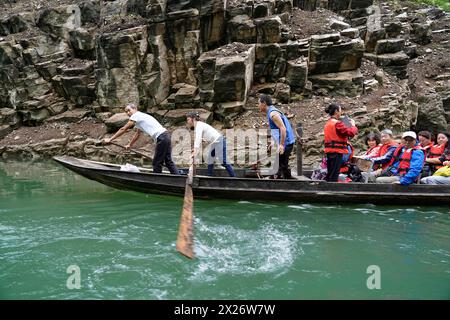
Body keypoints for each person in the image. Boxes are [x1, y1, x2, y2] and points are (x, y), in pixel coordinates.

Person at [103, 103, 179, 175]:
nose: (128, 113)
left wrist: (110, 139)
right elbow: (137, 134)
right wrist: (130, 144)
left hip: (162, 137)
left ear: (135, 108)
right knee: (168, 161)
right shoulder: (140, 117)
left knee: (157, 162)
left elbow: (123, 129)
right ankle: (178, 178)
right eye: (126, 112)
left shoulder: (136, 115)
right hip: (166, 136)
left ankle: (157, 181)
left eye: (129, 110)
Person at [186, 111, 235, 177]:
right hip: (216, 142)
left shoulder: (198, 125)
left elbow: (197, 140)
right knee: (210, 160)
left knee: (224, 161)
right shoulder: (199, 125)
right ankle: (209, 176)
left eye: (188, 119)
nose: (187, 121)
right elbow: (202, 136)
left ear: (193, 119)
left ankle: (234, 177)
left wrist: (194, 151)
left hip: (219, 141)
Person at [258, 94, 296, 179]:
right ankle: (280, 180)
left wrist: (282, 145)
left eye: (259, 103)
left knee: (282, 165)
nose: (258, 106)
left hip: (286, 142)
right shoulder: (271, 112)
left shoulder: (273, 114)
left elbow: (283, 129)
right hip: (283, 142)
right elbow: (275, 130)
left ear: (264, 103)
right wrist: (273, 142)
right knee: (279, 165)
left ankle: (288, 184)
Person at [323, 103, 358, 182]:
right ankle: (332, 191)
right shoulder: (337, 123)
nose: (341, 112)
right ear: (336, 111)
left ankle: (327, 188)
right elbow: (350, 133)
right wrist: (353, 125)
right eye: (340, 110)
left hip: (329, 151)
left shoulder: (328, 123)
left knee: (330, 173)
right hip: (336, 152)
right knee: (334, 174)